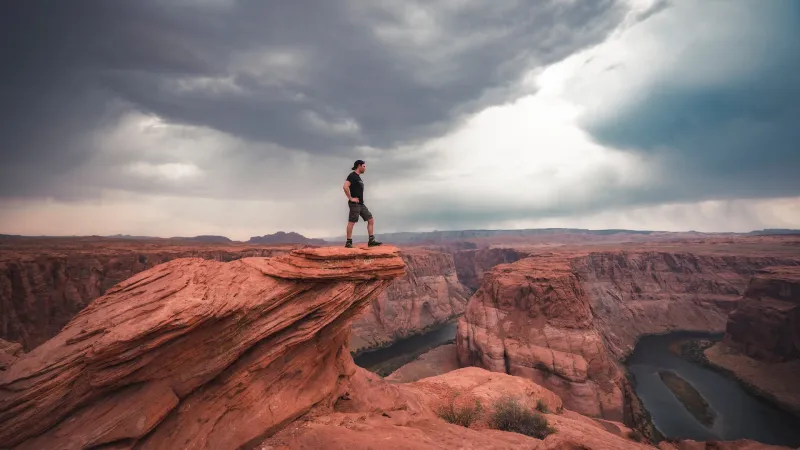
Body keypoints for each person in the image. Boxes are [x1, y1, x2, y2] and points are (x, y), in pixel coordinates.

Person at [343, 159, 382, 248]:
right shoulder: (352, 176)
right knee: (352, 222)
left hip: (361, 203)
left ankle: (371, 241)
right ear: (359, 166)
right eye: (364, 166)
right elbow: (345, 187)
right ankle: (348, 242)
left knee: (370, 219)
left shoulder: (358, 177)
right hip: (355, 204)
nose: (365, 168)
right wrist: (350, 198)